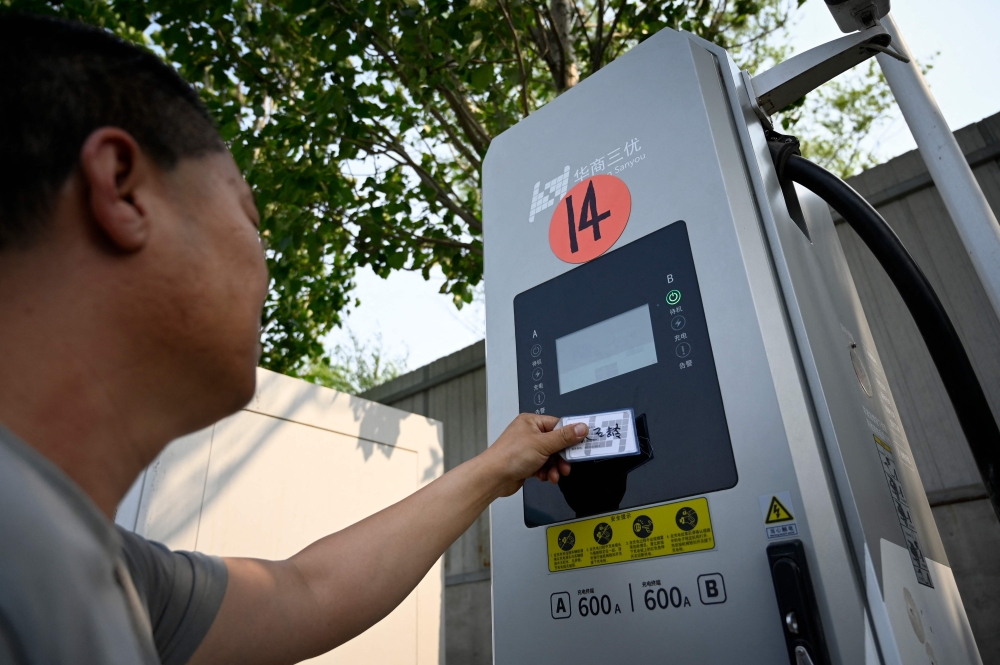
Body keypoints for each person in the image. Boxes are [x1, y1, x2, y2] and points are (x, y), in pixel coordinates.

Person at [0, 13, 585, 665]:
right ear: (123, 190)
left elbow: (310, 590)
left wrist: (493, 467)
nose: (265, 271)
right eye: (252, 220)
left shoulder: (119, 582)